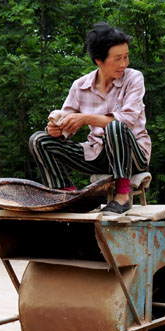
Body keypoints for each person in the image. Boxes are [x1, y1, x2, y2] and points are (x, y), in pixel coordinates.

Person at [28, 22, 150, 214]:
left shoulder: (134, 78)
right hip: (97, 154)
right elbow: (66, 123)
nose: (123, 64)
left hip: (132, 155)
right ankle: (67, 196)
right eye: (117, 59)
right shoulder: (80, 85)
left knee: (115, 127)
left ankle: (122, 196)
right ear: (99, 61)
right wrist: (57, 130)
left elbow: (126, 120)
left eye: (126, 57)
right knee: (39, 140)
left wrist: (85, 119)